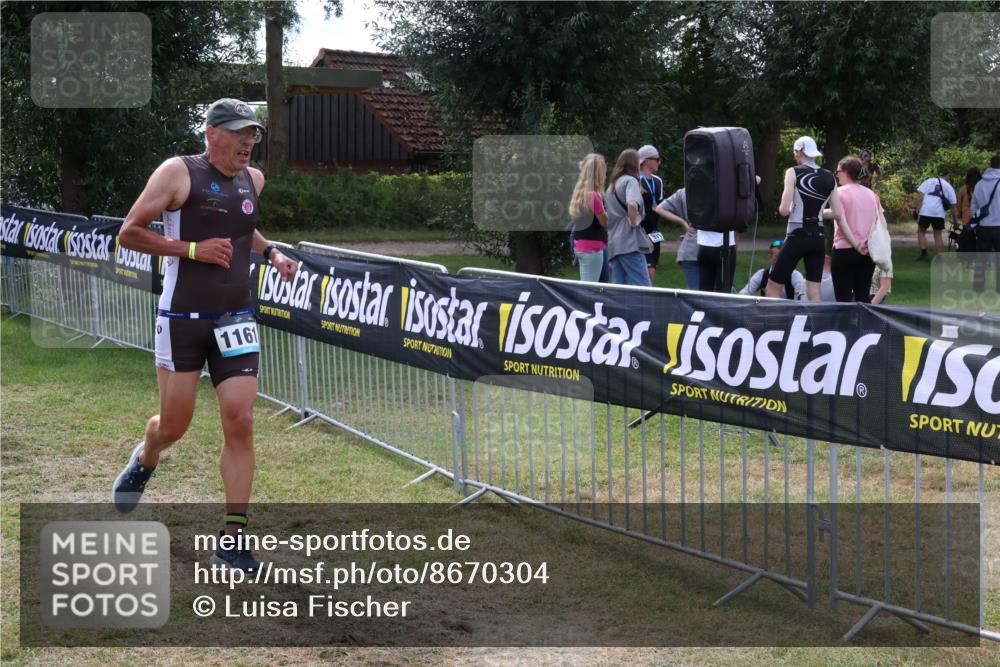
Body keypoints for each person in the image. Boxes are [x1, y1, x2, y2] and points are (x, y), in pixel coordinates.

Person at [112, 98, 299, 572]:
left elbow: (243, 227)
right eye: (239, 133)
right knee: (174, 426)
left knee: (240, 419)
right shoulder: (177, 173)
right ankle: (147, 456)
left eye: (253, 133)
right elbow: (129, 233)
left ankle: (233, 541)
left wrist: (272, 252)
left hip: (236, 317)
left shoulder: (252, 180)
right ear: (211, 133)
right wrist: (191, 249)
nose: (248, 142)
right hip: (182, 319)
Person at [766, 136, 845, 301]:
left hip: (797, 236)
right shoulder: (830, 176)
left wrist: (799, 211)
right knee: (814, 293)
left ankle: (777, 325)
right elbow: (837, 213)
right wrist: (816, 213)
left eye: (795, 152)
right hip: (818, 238)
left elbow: (783, 210)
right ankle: (813, 327)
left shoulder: (793, 172)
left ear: (799, 151)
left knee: (772, 289)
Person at [826, 155, 878, 302]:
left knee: (843, 299)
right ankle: (864, 325)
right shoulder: (871, 194)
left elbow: (839, 217)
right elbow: (879, 222)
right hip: (867, 251)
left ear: (845, 171)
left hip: (844, 250)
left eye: (837, 172)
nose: (836, 175)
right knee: (863, 297)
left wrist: (816, 213)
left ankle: (845, 325)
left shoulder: (839, 192)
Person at [605, 148, 652, 286]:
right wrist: (634, 221)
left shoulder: (612, 186)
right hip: (629, 243)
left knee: (620, 290)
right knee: (643, 287)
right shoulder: (631, 181)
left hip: (614, 244)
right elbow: (632, 204)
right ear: (634, 164)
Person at [568, 153, 608, 282]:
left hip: (581, 245)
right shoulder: (594, 196)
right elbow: (604, 222)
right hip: (593, 248)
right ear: (598, 173)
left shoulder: (580, 193)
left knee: (588, 285)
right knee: (589, 290)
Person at [653, 188, 699, 290]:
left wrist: (683, 222)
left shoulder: (684, 191)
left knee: (696, 294)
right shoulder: (717, 190)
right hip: (710, 248)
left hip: (690, 249)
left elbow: (659, 208)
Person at [913, 167, 957, 260]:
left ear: (938, 174)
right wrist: (955, 220)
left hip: (925, 211)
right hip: (938, 213)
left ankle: (924, 254)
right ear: (948, 175)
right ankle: (940, 257)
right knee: (937, 235)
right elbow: (953, 205)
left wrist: (915, 208)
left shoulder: (928, 181)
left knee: (921, 232)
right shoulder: (948, 186)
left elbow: (920, 196)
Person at [637, 145, 666, 284]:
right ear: (646, 161)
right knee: (644, 271)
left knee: (652, 269)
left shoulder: (658, 181)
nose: (659, 162)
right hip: (640, 231)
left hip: (654, 231)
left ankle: (648, 296)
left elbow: (660, 206)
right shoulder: (636, 180)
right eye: (657, 159)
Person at [739, 239, 806, 299]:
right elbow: (743, 294)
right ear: (770, 257)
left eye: (784, 257)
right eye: (778, 257)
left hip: (790, 312)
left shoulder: (795, 275)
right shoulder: (761, 275)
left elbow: (802, 299)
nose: (782, 261)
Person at [971, 154, 1000, 292]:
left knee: (981, 259)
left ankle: (978, 287)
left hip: (983, 226)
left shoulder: (979, 184)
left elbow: (974, 207)